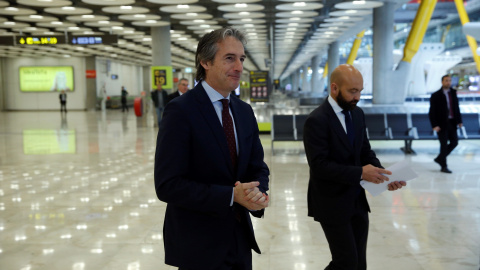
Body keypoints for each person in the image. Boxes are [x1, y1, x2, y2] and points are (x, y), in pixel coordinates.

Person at [154, 27, 270, 270]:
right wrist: (230, 196)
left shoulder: (244, 111)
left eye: (241, 59)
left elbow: (257, 167)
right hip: (198, 245)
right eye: (229, 58)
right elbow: (168, 185)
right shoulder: (180, 111)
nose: (239, 67)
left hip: (239, 240)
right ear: (205, 61)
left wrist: (257, 193)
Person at [303, 64, 406, 270]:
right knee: (346, 262)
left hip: (357, 200)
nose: (357, 96)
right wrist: (360, 172)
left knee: (359, 262)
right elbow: (320, 166)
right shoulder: (317, 120)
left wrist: (385, 175)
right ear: (334, 88)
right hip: (330, 202)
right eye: (352, 91)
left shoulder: (357, 114)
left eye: (360, 91)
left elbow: (365, 152)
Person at [429, 75, 463, 173]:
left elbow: (456, 107)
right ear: (442, 82)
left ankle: (439, 158)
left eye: (449, 81)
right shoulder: (436, 95)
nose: (448, 82)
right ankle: (444, 166)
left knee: (454, 142)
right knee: (443, 145)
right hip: (441, 124)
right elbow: (432, 111)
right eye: (446, 80)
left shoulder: (453, 92)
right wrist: (434, 125)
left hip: (452, 122)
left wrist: (459, 121)